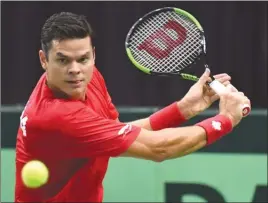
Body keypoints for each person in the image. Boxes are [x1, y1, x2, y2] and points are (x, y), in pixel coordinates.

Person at [15, 12, 251, 202]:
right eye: (63, 60)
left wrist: (182, 109)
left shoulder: (88, 78)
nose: (75, 69)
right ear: (43, 60)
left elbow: (116, 132)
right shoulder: (55, 116)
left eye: (83, 59)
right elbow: (159, 149)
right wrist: (225, 119)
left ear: (93, 56)